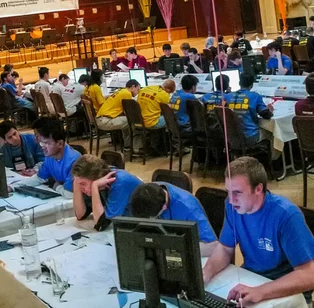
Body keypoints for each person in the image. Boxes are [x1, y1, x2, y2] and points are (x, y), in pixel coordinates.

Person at [203, 157, 314, 306]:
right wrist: (206, 273)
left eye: (237, 192)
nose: (231, 200)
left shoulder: (286, 215)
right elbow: (224, 248)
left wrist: (261, 291)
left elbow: (309, 274)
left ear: (258, 189)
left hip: (285, 290)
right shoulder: (233, 207)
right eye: (228, 192)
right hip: (252, 279)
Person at [130, 182, 217, 257]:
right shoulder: (148, 191)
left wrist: (178, 247)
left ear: (164, 208)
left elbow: (212, 246)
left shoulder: (190, 209)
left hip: (183, 252)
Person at [72, 155, 142, 231]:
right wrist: (76, 182)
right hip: (126, 224)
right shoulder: (99, 181)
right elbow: (80, 215)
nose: (81, 188)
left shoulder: (119, 183)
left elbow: (100, 225)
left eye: (83, 184)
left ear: (96, 178)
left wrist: (94, 186)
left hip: (144, 225)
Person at [26, 118, 81, 197]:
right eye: (41, 142)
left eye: (46, 143)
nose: (42, 147)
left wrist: (56, 186)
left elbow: (71, 194)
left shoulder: (75, 160)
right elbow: (39, 178)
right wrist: (13, 187)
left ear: (60, 144)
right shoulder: (50, 156)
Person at [225, 73, 273, 144]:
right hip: (250, 136)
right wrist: (270, 110)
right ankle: (275, 155)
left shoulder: (227, 96)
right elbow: (266, 115)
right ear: (252, 85)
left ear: (239, 83)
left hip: (231, 137)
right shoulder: (255, 96)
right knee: (272, 132)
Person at [95, 79, 141, 149]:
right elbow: (128, 113)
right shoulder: (127, 94)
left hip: (100, 119)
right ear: (133, 87)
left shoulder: (120, 91)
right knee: (132, 121)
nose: (138, 93)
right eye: (138, 90)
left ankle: (127, 145)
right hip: (106, 121)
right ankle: (135, 147)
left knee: (126, 121)